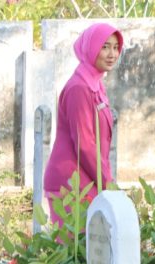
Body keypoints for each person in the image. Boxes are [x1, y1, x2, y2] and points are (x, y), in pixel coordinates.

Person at [42, 23, 122, 227]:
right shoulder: (79, 88)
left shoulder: (95, 84)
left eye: (115, 47)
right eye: (105, 47)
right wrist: (108, 184)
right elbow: (84, 144)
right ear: (91, 48)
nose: (112, 54)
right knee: (76, 245)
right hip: (70, 183)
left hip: (87, 179)